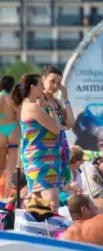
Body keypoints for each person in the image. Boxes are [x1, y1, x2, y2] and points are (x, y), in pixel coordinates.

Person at [14, 74, 63, 210]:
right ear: (33, 87)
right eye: (40, 85)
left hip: (34, 158)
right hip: (43, 160)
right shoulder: (34, 108)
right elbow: (56, 128)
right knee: (52, 203)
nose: (42, 88)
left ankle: (36, 230)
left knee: (38, 204)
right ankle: (53, 231)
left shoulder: (25, 106)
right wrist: (51, 108)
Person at [39, 66, 74, 189]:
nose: (55, 86)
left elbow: (70, 123)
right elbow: (54, 126)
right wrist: (62, 127)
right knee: (49, 188)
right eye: (52, 81)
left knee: (62, 187)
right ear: (43, 80)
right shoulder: (39, 101)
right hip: (48, 149)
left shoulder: (57, 102)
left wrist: (66, 98)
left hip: (61, 148)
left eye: (58, 83)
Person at [0, 75, 20, 199]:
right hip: (13, 128)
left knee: (0, 166)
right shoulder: (14, 98)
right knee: (11, 168)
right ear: (12, 86)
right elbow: (18, 117)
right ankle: (6, 195)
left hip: (1, 129)